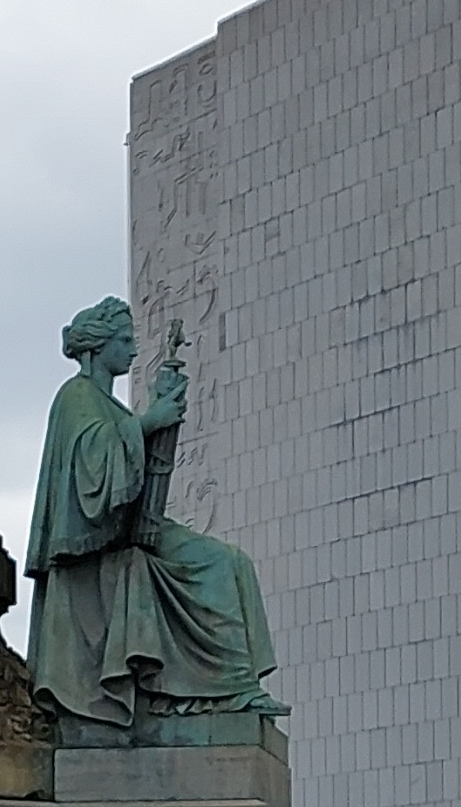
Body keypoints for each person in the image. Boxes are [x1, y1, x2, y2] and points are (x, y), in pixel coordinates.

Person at [24, 299, 279, 730]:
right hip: (98, 548)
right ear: (97, 347)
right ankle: (216, 687)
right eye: (124, 341)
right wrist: (148, 422)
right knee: (214, 565)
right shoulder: (76, 396)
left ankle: (237, 685)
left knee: (232, 561)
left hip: (129, 531)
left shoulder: (110, 405)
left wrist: (157, 413)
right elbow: (93, 471)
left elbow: (128, 475)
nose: (132, 349)